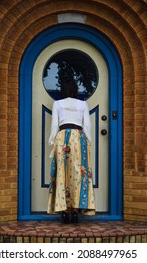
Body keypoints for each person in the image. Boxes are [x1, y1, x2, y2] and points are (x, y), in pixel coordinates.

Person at [47, 78, 95, 224]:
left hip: (62, 137)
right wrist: (89, 141)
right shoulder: (83, 104)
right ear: (75, 90)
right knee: (78, 173)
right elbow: (86, 125)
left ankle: (64, 211)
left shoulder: (57, 104)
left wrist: (52, 141)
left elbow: (55, 125)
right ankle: (75, 211)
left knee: (62, 173)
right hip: (78, 138)